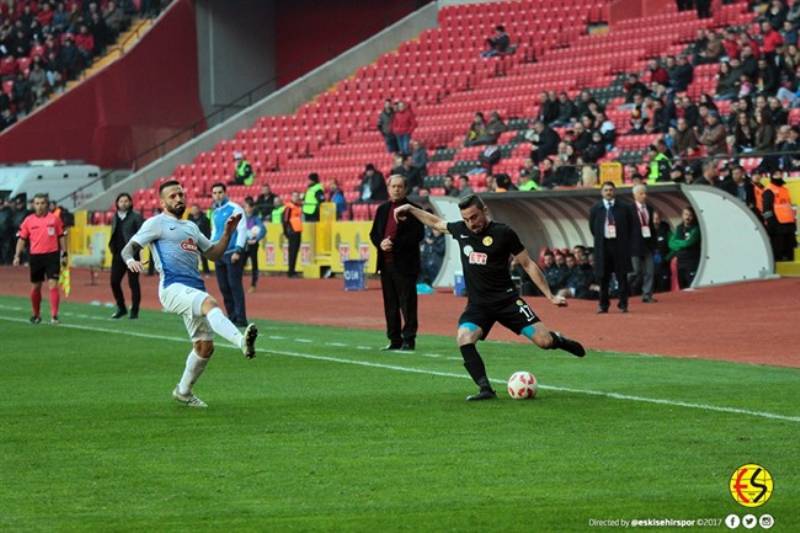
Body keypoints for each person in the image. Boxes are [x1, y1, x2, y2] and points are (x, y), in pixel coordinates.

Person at [393, 194, 585, 401]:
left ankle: (560, 340)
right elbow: (437, 223)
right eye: (466, 219)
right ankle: (485, 389)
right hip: (479, 305)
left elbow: (527, 264)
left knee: (544, 341)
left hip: (508, 301)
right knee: (464, 338)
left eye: (474, 217)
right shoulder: (461, 230)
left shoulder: (504, 233)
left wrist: (550, 295)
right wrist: (411, 209)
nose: (470, 223)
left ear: (484, 210)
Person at [121, 180, 258, 408]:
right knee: (211, 303)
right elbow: (129, 247)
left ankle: (183, 391)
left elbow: (213, 254)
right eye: (173, 196)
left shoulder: (191, 227)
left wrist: (227, 234)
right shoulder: (156, 223)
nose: (179, 199)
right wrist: (130, 260)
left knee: (205, 347)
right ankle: (241, 342)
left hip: (194, 288)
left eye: (181, 195)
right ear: (162, 201)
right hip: (172, 288)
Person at [369, 176, 424, 351]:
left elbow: (418, 235)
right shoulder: (382, 209)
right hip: (386, 264)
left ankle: (409, 339)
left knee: (407, 304)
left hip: (405, 264)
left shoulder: (414, 209)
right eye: (393, 186)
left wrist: (393, 244)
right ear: (388, 188)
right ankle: (394, 339)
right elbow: (374, 234)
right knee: (390, 304)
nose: (396, 189)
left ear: (405, 189)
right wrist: (381, 243)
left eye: (400, 186)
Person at [13, 193, 67, 324]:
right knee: (36, 286)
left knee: (53, 284)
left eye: (42, 203)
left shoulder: (54, 219)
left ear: (47, 204)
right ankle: (36, 314)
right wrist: (17, 255)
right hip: (36, 256)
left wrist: (64, 253)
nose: (40, 206)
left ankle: (54, 316)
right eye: (37, 203)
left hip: (52, 255)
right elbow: (22, 239)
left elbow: (61, 236)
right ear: (33, 205)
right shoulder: (28, 220)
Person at [589, 182, 634, 313]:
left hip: (619, 246)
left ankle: (623, 304)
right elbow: (592, 228)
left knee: (622, 277)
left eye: (611, 190)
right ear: (601, 192)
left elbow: (630, 226)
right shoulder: (596, 208)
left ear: (614, 191)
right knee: (603, 278)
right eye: (606, 190)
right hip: (603, 246)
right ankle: (603, 305)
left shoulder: (624, 207)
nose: (608, 192)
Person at [210, 183, 248, 327]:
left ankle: (241, 318)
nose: (217, 195)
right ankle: (231, 316)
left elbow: (242, 229)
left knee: (235, 286)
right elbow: (214, 233)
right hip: (219, 253)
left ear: (225, 193)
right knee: (223, 287)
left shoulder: (235, 208)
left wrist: (238, 250)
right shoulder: (214, 212)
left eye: (220, 192)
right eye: (214, 193)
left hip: (232, 253)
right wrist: (211, 248)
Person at [108, 193, 143, 319]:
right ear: (117, 203)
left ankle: (134, 310)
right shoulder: (115, 217)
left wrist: (136, 249)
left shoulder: (136, 217)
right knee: (114, 282)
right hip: (118, 255)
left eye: (126, 201)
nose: (124, 203)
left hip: (132, 255)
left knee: (133, 283)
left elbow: (142, 235)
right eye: (121, 201)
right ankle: (121, 307)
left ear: (130, 202)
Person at [628, 185, 657, 303]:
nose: (644, 196)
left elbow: (651, 227)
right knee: (635, 271)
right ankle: (621, 288)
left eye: (645, 193)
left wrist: (654, 244)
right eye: (641, 194)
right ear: (634, 195)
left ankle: (647, 295)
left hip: (647, 244)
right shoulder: (629, 209)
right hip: (634, 245)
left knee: (650, 271)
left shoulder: (649, 208)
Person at [761, 172, 796, 260]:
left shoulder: (784, 190)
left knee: (789, 254)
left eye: (780, 174)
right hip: (777, 227)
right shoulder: (769, 190)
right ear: (771, 176)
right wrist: (771, 225)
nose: (779, 176)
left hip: (788, 226)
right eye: (775, 174)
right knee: (778, 254)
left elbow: (788, 208)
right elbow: (766, 209)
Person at [668, 206, 702, 288]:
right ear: (682, 215)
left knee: (692, 287)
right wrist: (682, 244)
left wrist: (678, 243)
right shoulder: (679, 228)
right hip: (680, 262)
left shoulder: (696, 229)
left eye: (690, 215)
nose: (687, 217)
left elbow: (688, 243)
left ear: (693, 217)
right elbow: (670, 244)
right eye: (686, 214)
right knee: (682, 288)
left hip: (692, 262)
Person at [243, 198, 266, 293]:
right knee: (239, 264)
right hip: (243, 244)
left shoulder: (256, 219)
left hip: (253, 244)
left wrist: (256, 239)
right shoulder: (242, 218)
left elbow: (263, 230)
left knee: (254, 264)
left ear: (252, 208)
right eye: (245, 207)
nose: (246, 208)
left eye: (247, 207)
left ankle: (253, 284)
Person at [283, 191, 303, 278]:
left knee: (295, 251)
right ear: (291, 197)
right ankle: (290, 271)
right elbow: (285, 220)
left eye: (297, 196)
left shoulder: (297, 206)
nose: (296, 198)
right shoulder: (289, 207)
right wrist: (286, 231)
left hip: (297, 230)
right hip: (292, 231)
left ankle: (292, 270)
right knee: (292, 251)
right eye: (294, 196)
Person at [188, 205, 212, 275]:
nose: (193, 211)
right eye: (192, 209)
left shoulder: (205, 219)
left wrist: (208, 239)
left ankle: (206, 272)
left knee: (203, 257)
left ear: (198, 210)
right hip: (192, 240)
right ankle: (194, 271)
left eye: (195, 209)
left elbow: (208, 230)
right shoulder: (189, 219)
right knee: (192, 256)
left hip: (202, 240)